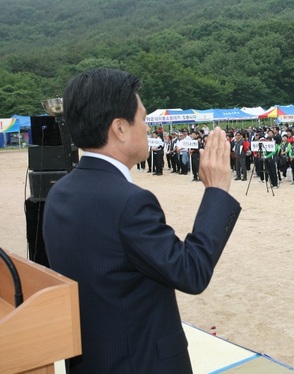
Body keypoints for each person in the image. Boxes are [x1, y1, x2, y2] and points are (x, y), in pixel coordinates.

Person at [42, 68, 241, 374]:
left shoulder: (60, 192)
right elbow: (190, 271)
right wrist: (216, 191)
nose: (147, 128)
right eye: (143, 119)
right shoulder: (129, 201)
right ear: (120, 128)